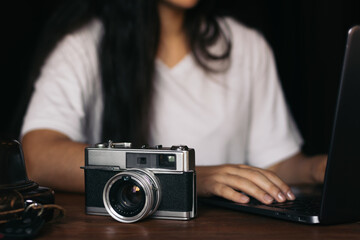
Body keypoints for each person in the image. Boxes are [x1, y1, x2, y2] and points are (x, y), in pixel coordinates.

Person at [20, 0, 327, 205]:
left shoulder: (248, 46)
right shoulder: (83, 46)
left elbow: (273, 163)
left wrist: (317, 169)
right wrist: (189, 176)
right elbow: (39, 157)